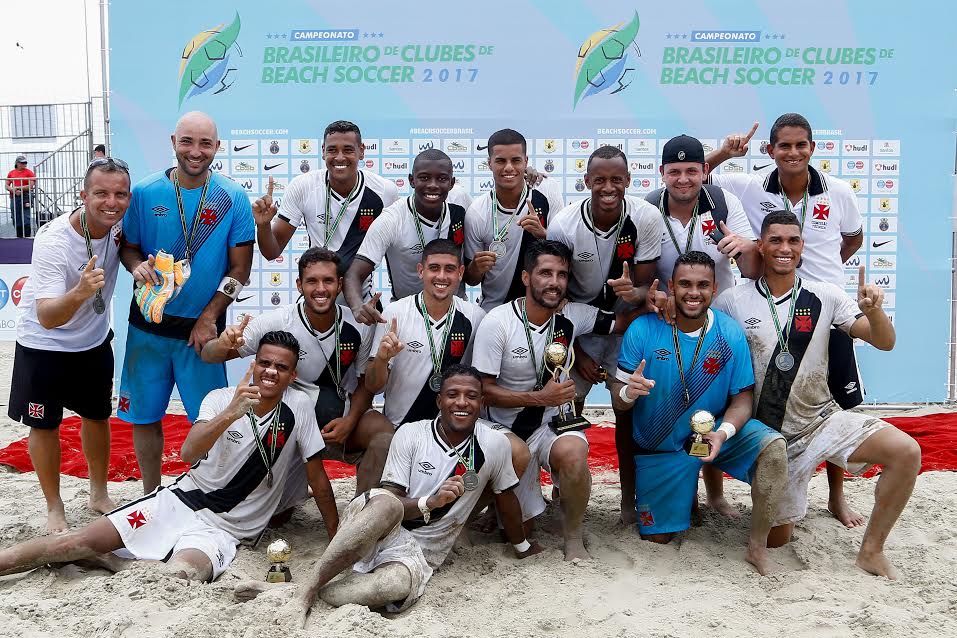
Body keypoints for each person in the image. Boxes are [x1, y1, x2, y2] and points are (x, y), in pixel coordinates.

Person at [0, 331, 339, 583]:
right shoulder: (221, 399)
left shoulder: (299, 407)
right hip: (178, 502)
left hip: (225, 530)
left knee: (182, 575)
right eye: (264, 363)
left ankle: (114, 562)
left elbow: (318, 480)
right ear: (253, 364)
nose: (270, 372)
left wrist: (335, 537)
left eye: (281, 367)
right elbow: (189, 452)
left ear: (292, 376)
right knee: (74, 541)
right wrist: (232, 414)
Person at [233, 365, 540, 616]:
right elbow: (389, 501)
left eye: (471, 396)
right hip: (380, 526)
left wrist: (522, 547)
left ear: (481, 403)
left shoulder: (495, 445)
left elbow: (506, 497)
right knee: (386, 505)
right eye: (453, 395)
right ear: (439, 401)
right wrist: (429, 502)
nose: (462, 402)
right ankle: (305, 594)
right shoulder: (411, 433)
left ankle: (295, 590)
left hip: (421, 552)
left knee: (394, 586)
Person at [713, 210, 920, 579]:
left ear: (802, 246)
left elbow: (885, 343)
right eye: (775, 240)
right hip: (771, 439)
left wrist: (875, 313)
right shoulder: (732, 301)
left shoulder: (826, 295)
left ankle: (871, 551)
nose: (784, 248)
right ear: (760, 246)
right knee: (778, 540)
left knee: (907, 452)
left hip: (822, 420)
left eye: (793, 240)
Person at [706, 115, 867, 527]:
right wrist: (726, 152)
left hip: (824, 315)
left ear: (813, 147)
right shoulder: (750, 185)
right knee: (730, 397)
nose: (793, 153)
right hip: (770, 309)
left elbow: (854, 238)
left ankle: (835, 496)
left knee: (835, 403)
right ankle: (716, 493)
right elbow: (696, 175)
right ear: (770, 150)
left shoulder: (841, 191)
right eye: (784, 146)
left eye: (801, 145)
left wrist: (823, 276)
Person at [610, 251, 787, 574]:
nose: (694, 292)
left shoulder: (729, 332)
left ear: (715, 288)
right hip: (661, 447)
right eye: (685, 284)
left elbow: (743, 398)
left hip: (713, 434)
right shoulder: (643, 329)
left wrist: (723, 433)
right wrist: (627, 392)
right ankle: (684, 495)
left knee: (774, 450)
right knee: (658, 538)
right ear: (670, 286)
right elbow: (618, 402)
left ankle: (756, 548)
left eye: (702, 285)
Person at [118, 111, 254, 494]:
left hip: (201, 333)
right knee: (144, 417)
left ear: (217, 147)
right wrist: (136, 268)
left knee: (208, 418)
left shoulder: (233, 197)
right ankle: (149, 493)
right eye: (188, 142)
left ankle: (203, 493)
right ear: (173, 142)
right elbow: (128, 248)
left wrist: (209, 316)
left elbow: (240, 269)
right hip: (148, 328)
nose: (196, 152)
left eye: (205, 144)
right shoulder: (144, 193)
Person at [472, 239, 623, 560]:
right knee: (516, 535)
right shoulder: (497, 322)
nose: (554, 282)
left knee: (574, 452)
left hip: (551, 426)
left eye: (562, 275)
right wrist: (540, 397)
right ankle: (492, 505)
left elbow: (622, 322)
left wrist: (651, 302)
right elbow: (482, 391)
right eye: (545, 273)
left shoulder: (573, 315)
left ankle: (573, 537)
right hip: (507, 432)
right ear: (527, 278)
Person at [201, 247, 394, 498]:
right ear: (299, 285)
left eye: (328, 281)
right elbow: (209, 356)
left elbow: (365, 384)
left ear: (340, 285)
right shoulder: (276, 321)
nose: (321, 289)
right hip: (288, 426)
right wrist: (223, 343)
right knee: (281, 517)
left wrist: (350, 420)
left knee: (381, 431)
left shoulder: (358, 326)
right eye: (312, 281)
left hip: (338, 422)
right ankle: (289, 490)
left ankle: (363, 511)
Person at [7, 158, 130, 532]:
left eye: (120, 194)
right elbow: (46, 315)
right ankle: (54, 507)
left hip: (92, 342)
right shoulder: (53, 241)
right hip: (43, 346)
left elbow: (131, 247)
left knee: (97, 416)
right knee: (44, 426)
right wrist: (79, 292)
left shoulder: (120, 222)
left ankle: (98, 493)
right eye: (101, 194)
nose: (111, 202)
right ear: (83, 195)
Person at [547, 144, 662, 524]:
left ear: (629, 180)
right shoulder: (564, 224)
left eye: (616, 179)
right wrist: (578, 351)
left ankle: (629, 502)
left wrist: (635, 293)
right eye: (599, 180)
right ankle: (562, 492)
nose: (608, 187)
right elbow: (554, 294)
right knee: (568, 409)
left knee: (626, 411)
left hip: (627, 324)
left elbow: (648, 290)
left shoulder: (645, 217)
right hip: (576, 323)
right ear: (586, 182)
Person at [254, 120, 398, 304]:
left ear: (361, 151)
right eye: (332, 150)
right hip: (316, 299)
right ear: (323, 151)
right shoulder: (303, 187)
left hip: (362, 301)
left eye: (347, 150)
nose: (339, 157)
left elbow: (396, 254)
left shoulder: (384, 191)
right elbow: (271, 252)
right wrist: (264, 225)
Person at [365, 239, 486, 426]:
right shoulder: (395, 313)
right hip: (400, 426)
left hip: (452, 429)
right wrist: (381, 359)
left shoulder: (475, 317)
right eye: (434, 268)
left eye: (450, 269)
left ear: (461, 273)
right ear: (421, 270)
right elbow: (373, 386)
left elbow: (479, 383)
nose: (442, 276)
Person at [344, 148, 469, 322]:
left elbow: (470, 271)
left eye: (441, 179)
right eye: (424, 178)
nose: (433, 185)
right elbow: (354, 274)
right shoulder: (391, 219)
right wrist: (358, 307)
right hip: (407, 314)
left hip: (455, 312)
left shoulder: (461, 204)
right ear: (411, 180)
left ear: (452, 182)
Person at [464, 128, 565, 312]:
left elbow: (565, 259)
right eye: (500, 161)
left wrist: (543, 235)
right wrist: (477, 267)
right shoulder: (477, 212)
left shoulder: (547, 195)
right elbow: (471, 279)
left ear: (526, 161)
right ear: (489, 163)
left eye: (516, 160)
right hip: (495, 312)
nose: (508, 168)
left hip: (542, 311)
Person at [6, 154, 35, 237]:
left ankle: (27, 236)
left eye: (25, 162)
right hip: (14, 197)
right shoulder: (11, 173)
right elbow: (7, 185)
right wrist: (12, 189)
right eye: (22, 163)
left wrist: (18, 188)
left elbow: (31, 185)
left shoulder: (29, 172)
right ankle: (19, 236)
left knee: (26, 216)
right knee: (16, 216)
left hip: (25, 196)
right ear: (17, 163)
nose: (24, 164)